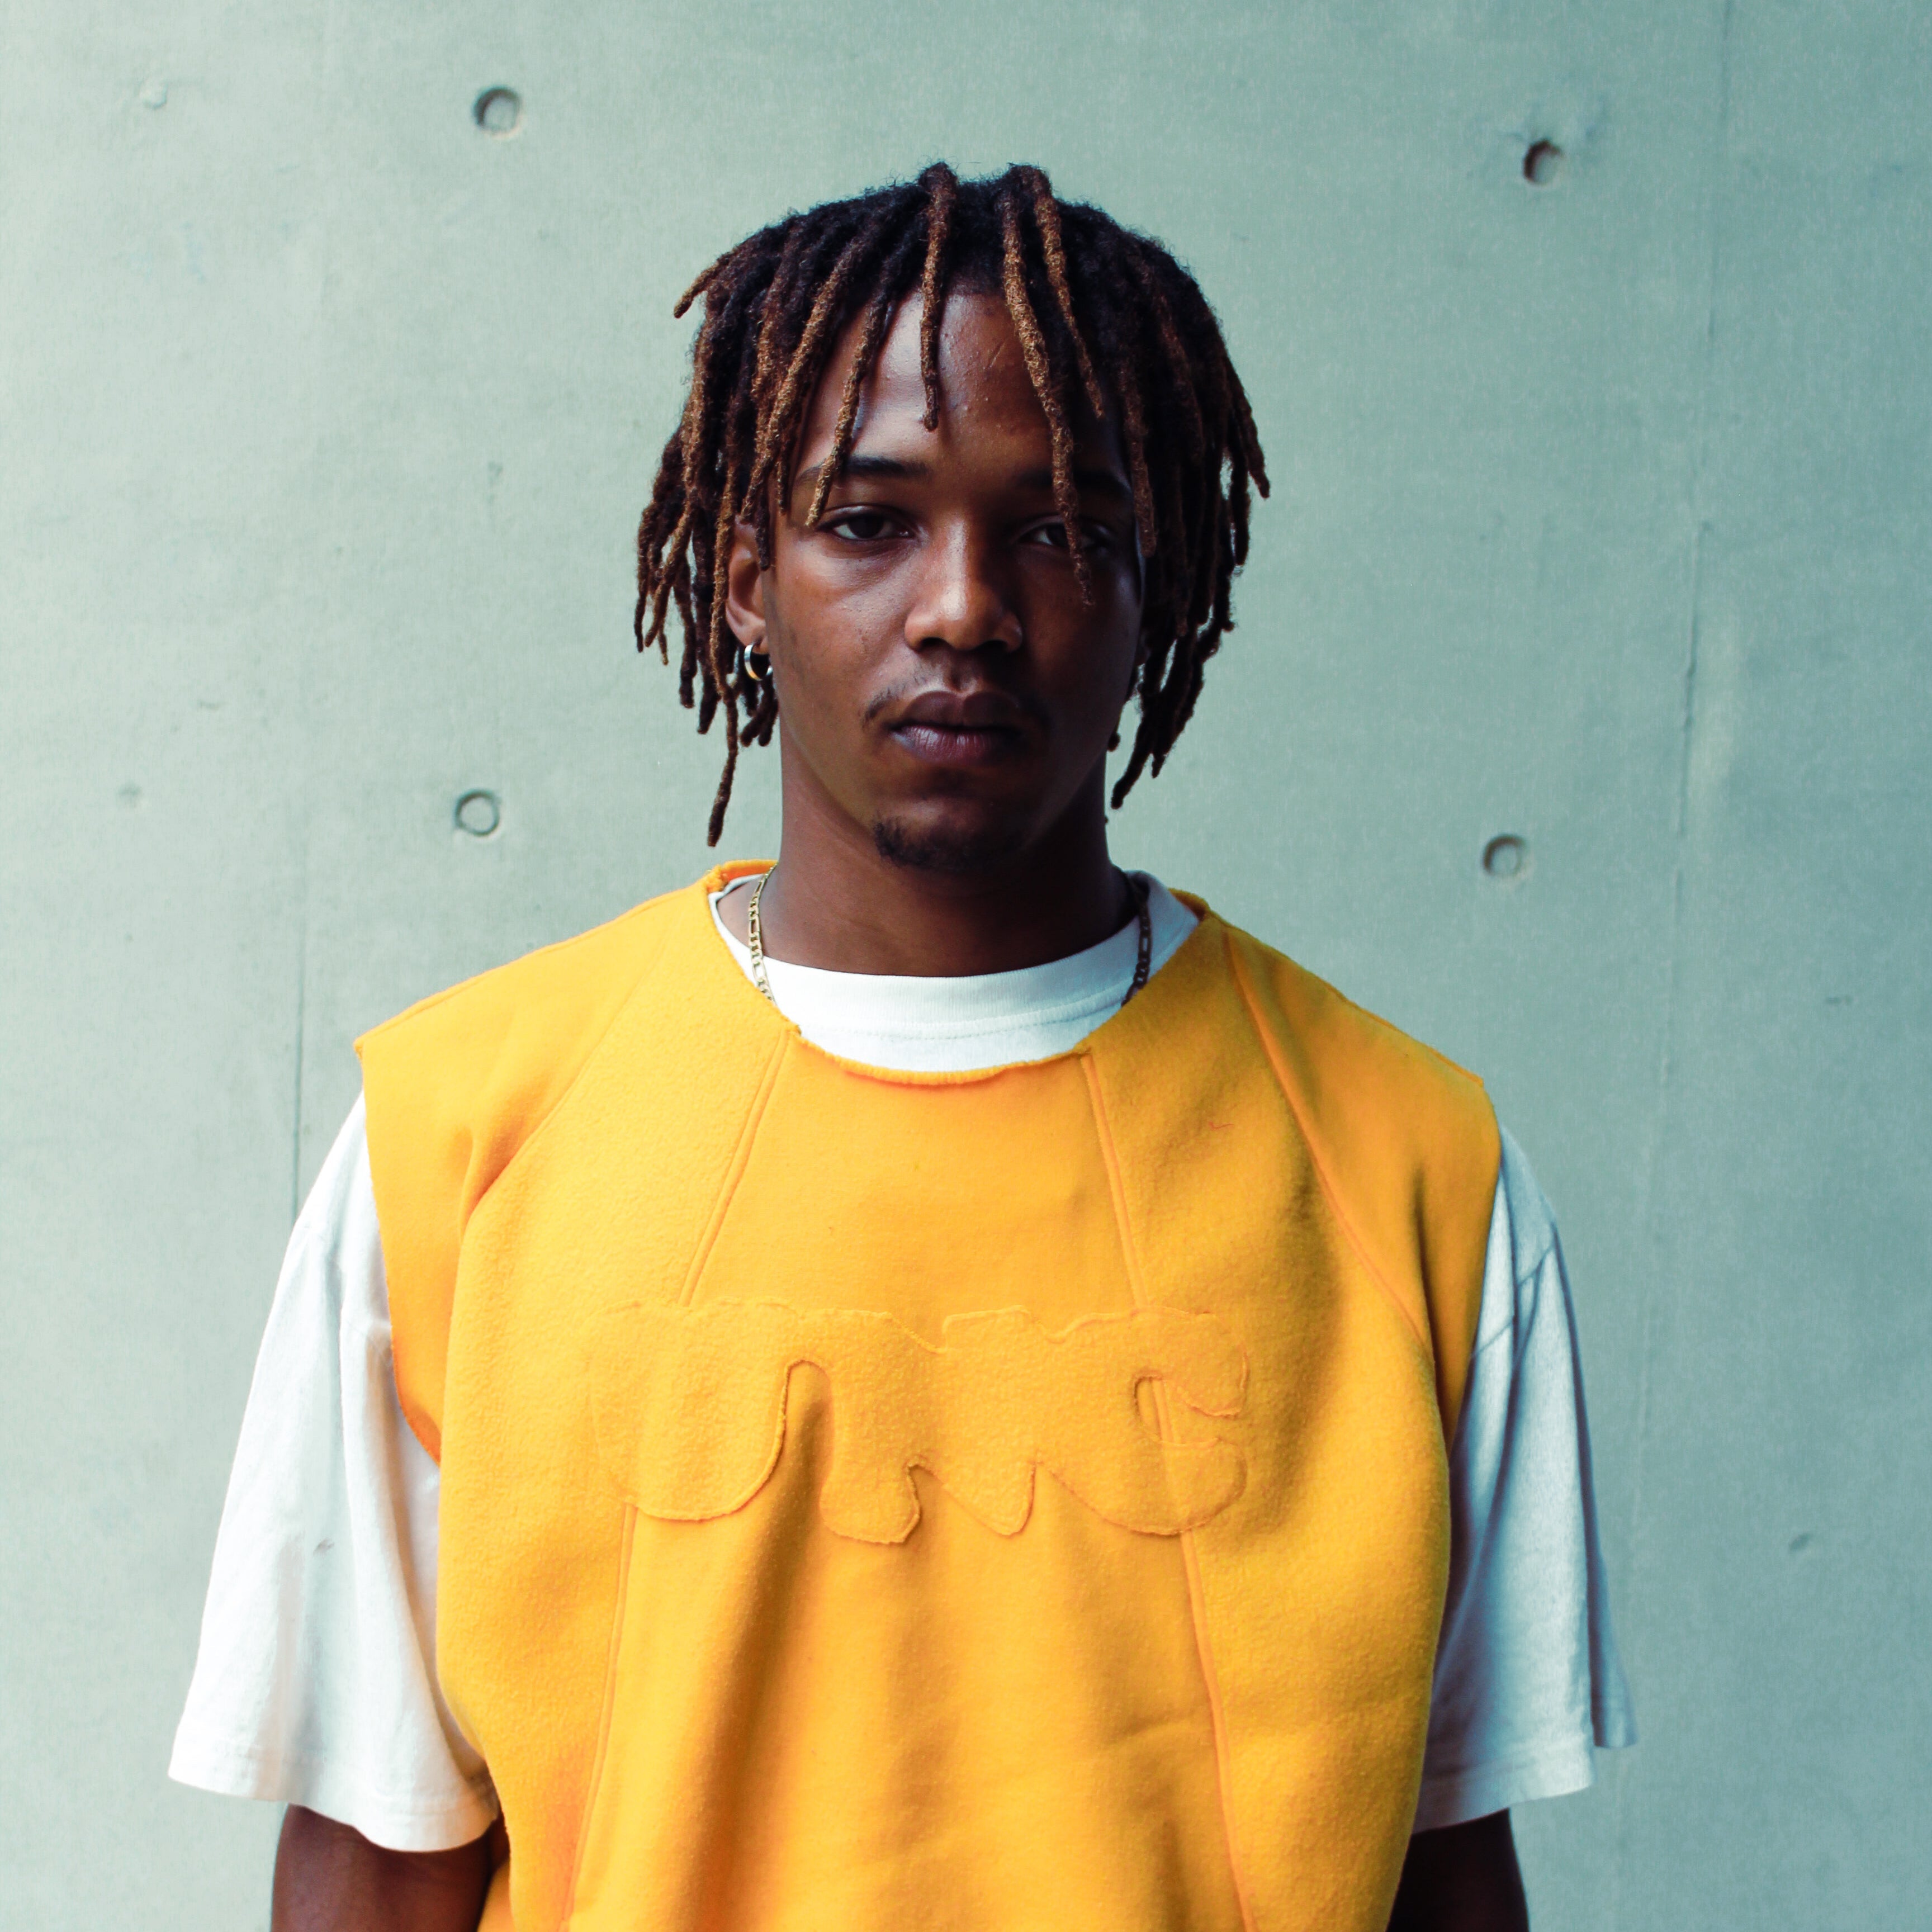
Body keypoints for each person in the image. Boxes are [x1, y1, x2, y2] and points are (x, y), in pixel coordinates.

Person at [172, 164, 1633, 1932]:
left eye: (1064, 528)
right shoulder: (464, 1137)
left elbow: (1445, 1869)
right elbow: (376, 1860)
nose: (963, 606)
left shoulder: (1410, 1167)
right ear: (739, 574)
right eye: (867, 521)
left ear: (1162, 590)